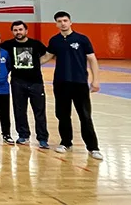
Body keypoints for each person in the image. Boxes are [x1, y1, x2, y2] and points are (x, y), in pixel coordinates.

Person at [43, 11, 103, 160]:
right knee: (62, 115)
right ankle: (65, 142)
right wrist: (26, 64)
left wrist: (96, 80)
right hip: (61, 83)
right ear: (56, 24)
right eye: (59, 21)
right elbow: (46, 57)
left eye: (65, 20)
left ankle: (93, 147)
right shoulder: (55, 40)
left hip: (79, 83)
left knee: (85, 116)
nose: (63, 23)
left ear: (70, 22)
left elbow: (92, 59)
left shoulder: (82, 39)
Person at [0, 20, 50, 148]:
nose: (18, 32)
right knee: (19, 110)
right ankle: (23, 135)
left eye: (20, 29)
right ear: (12, 32)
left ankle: (42, 138)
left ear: (26, 31)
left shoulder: (36, 44)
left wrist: (37, 63)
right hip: (17, 82)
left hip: (36, 82)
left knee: (39, 111)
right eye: (15, 30)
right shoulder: (8, 45)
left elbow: (48, 54)